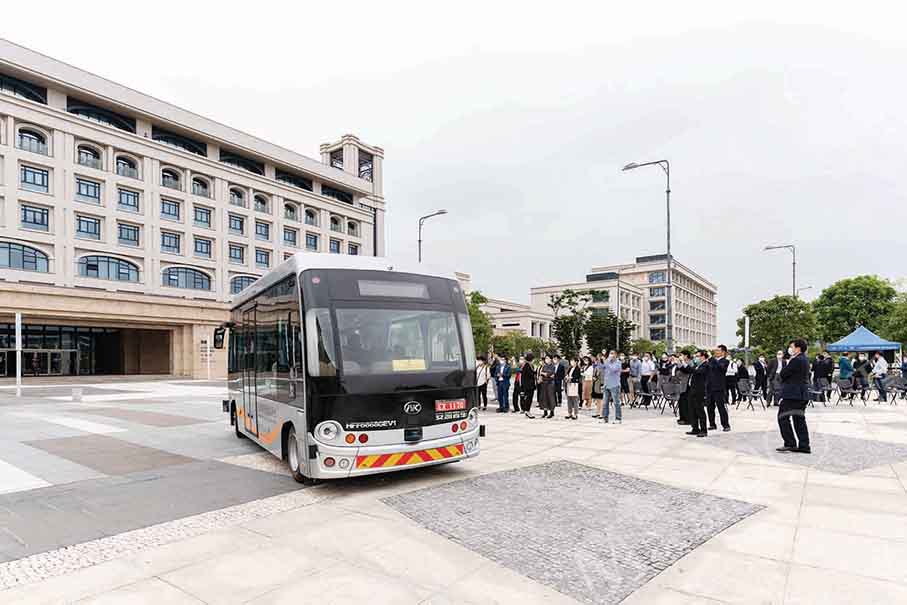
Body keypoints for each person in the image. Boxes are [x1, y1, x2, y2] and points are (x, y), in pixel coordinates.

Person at [777, 338, 811, 454]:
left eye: (791, 347)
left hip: (792, 394)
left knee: (782, 417)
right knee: (799, 420)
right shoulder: (805, 359)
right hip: (801, 394)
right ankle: (804, 445)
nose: (790, 349)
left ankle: (790, 443)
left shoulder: (796, 360)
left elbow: (783, 374)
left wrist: (788, 362)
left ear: (798, 348)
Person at [706, 345, 731, 432]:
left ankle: (726, 425)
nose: (715, 352)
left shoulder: (725, 361)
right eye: (715, 350)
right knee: (710, 407)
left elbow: (721, 368)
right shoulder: (711, 360)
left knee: (721, 407)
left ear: (723, 352)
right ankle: (712, 424)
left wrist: (712, 359)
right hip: (709, 387)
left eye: (718, 350)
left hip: (719, 388)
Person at [687, 350, 710, 437]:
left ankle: (703, 430)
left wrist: (686, 365)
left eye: (697, 356)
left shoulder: (705, 365)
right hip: (692, 390)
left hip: (699, 391)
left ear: (703, 357)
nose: (696, 358)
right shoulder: (697, 365)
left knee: (700, 411)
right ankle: (695, 428)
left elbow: (697, 372)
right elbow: (690, 371)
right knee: (692, 410)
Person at [601, 351, 623, 424]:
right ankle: (605, 418)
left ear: (616, 355)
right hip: (606, 384)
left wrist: (606, 362)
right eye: (610, 353)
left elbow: (613, 369)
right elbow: (601, 368)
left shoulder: (618, 363)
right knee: (605, 402)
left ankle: (618, 418)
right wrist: (602, 361)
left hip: (614, 385)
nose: (611, 355)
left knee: (616, 402)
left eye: (613, 353)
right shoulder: (607, 361)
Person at [676, 351, 694, 425]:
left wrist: (681, 363)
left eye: (682, 355)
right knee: (681, 402)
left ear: (686, 356)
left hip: (687, 385)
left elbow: (686, 370)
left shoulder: (690, 362)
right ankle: (682, 418)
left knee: (686, 403)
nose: (681, 356)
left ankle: (687, 419)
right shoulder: (682, 362)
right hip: (682, 384)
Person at [520, 353, 537, 418]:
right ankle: (527, 411)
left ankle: (527, 411)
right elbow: (529, 375)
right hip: (528, 386)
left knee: (528, 398)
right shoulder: (527, 365)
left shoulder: (528, 365)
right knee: (528, 399)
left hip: (529, 385)